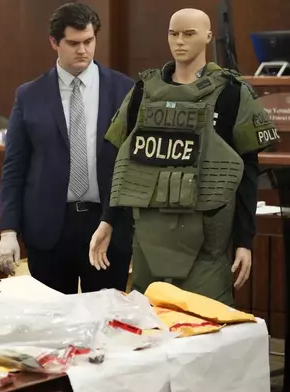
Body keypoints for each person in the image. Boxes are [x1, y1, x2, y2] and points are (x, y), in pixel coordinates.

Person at [89, 9, 280, 305]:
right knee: (150, 332)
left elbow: (248, 173)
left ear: (207, 36)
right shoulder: (142, 91)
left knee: (206, 332)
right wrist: (108, 221)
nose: (179, 41)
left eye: (188, 33)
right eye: (173, 33)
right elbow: (126, 165)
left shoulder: (232, 93)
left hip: (208, 244)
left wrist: (244, 241)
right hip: (149, 241)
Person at [0, 2, 135, 294]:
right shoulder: (30, 95)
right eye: (73, 43)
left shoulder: (125, 90)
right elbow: (14, 168)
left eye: (89, 41)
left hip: (107, 224)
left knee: (105, 321)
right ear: (54, 43)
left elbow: (135, 164)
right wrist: (8, 231)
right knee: (54, 325)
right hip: (48, 229)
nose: (83, 50)